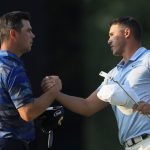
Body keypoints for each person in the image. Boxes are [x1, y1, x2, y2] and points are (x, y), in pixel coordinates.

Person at [42, 16, 150, 150]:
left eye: (112, 35)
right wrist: (55, 93)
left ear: (126, 33)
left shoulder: (147, 59)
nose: (109, 40)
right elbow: (87, 106)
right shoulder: (113, 74)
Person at [0, 11, 61, 150]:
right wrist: (54, 90)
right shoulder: (12, 68)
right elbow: (28, 112)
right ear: (13, 34)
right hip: (10, 144)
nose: (33, 35)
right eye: (28, 31)